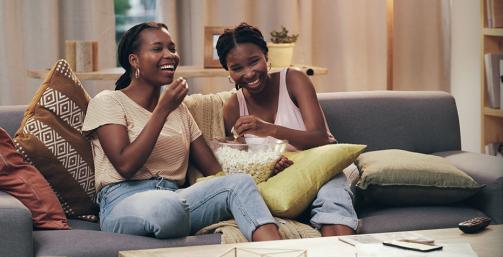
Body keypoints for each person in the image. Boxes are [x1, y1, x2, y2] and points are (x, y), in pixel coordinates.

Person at [81, 22, 280, 241]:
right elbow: (125, 165)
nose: (170, 55)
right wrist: (162, 110)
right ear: (134, 60)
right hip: (124, 201)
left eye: (172, 49)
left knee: (239, 183)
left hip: (176, 198)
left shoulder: (179, 109)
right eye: (158, 49)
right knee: (168, 208)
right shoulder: (109, 101)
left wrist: (262, 160)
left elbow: (213, 169)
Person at [216, 23, 359, 236]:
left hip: (324, 169)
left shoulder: (293, 79)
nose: (249, 73)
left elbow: (321, 139)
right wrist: (269, 163)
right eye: (237, 68)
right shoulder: (233, 106)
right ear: (228, 71)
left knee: (333, 202)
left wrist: (269, 129)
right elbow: (243, 165)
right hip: (284, 182)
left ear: (266, 56)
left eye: (254, 61)